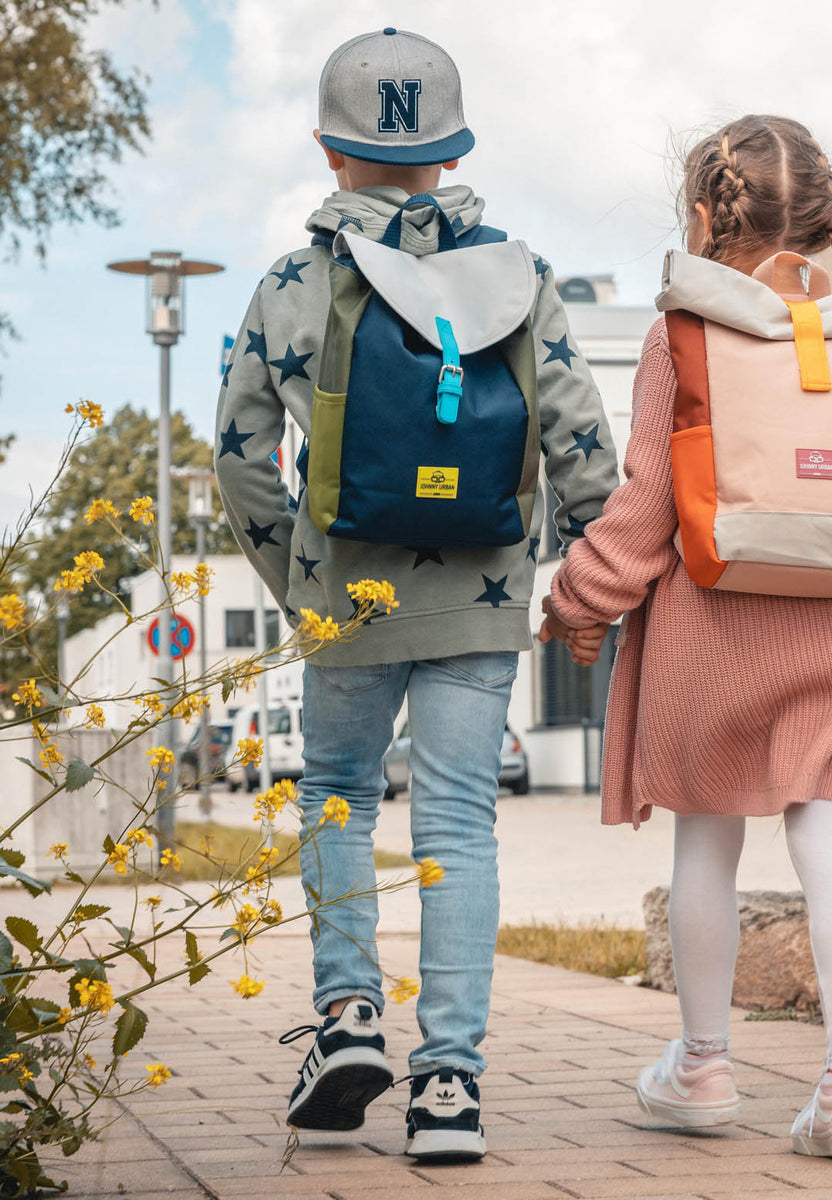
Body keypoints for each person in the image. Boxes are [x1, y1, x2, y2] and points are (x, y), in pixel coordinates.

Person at [540, 114, 832, 1158]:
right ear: (830, 218)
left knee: (708, 837)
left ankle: (700, 1068)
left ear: (703, 215)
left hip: (708, 635)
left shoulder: (681, 332)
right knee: (831, 839)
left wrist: (578, 603)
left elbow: (647, 503)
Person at [215, 28, 616, 1161]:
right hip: (484, 598)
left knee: (337, 792)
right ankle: (449, 1091)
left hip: (347, 594)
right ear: (449, 152)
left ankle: (347, 1018)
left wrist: (300, 583)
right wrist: (591, 582)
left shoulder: (292, 284)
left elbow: (240, 455)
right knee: (458, 824)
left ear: (330, 151)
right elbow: (583, 443)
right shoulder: (521, 275)